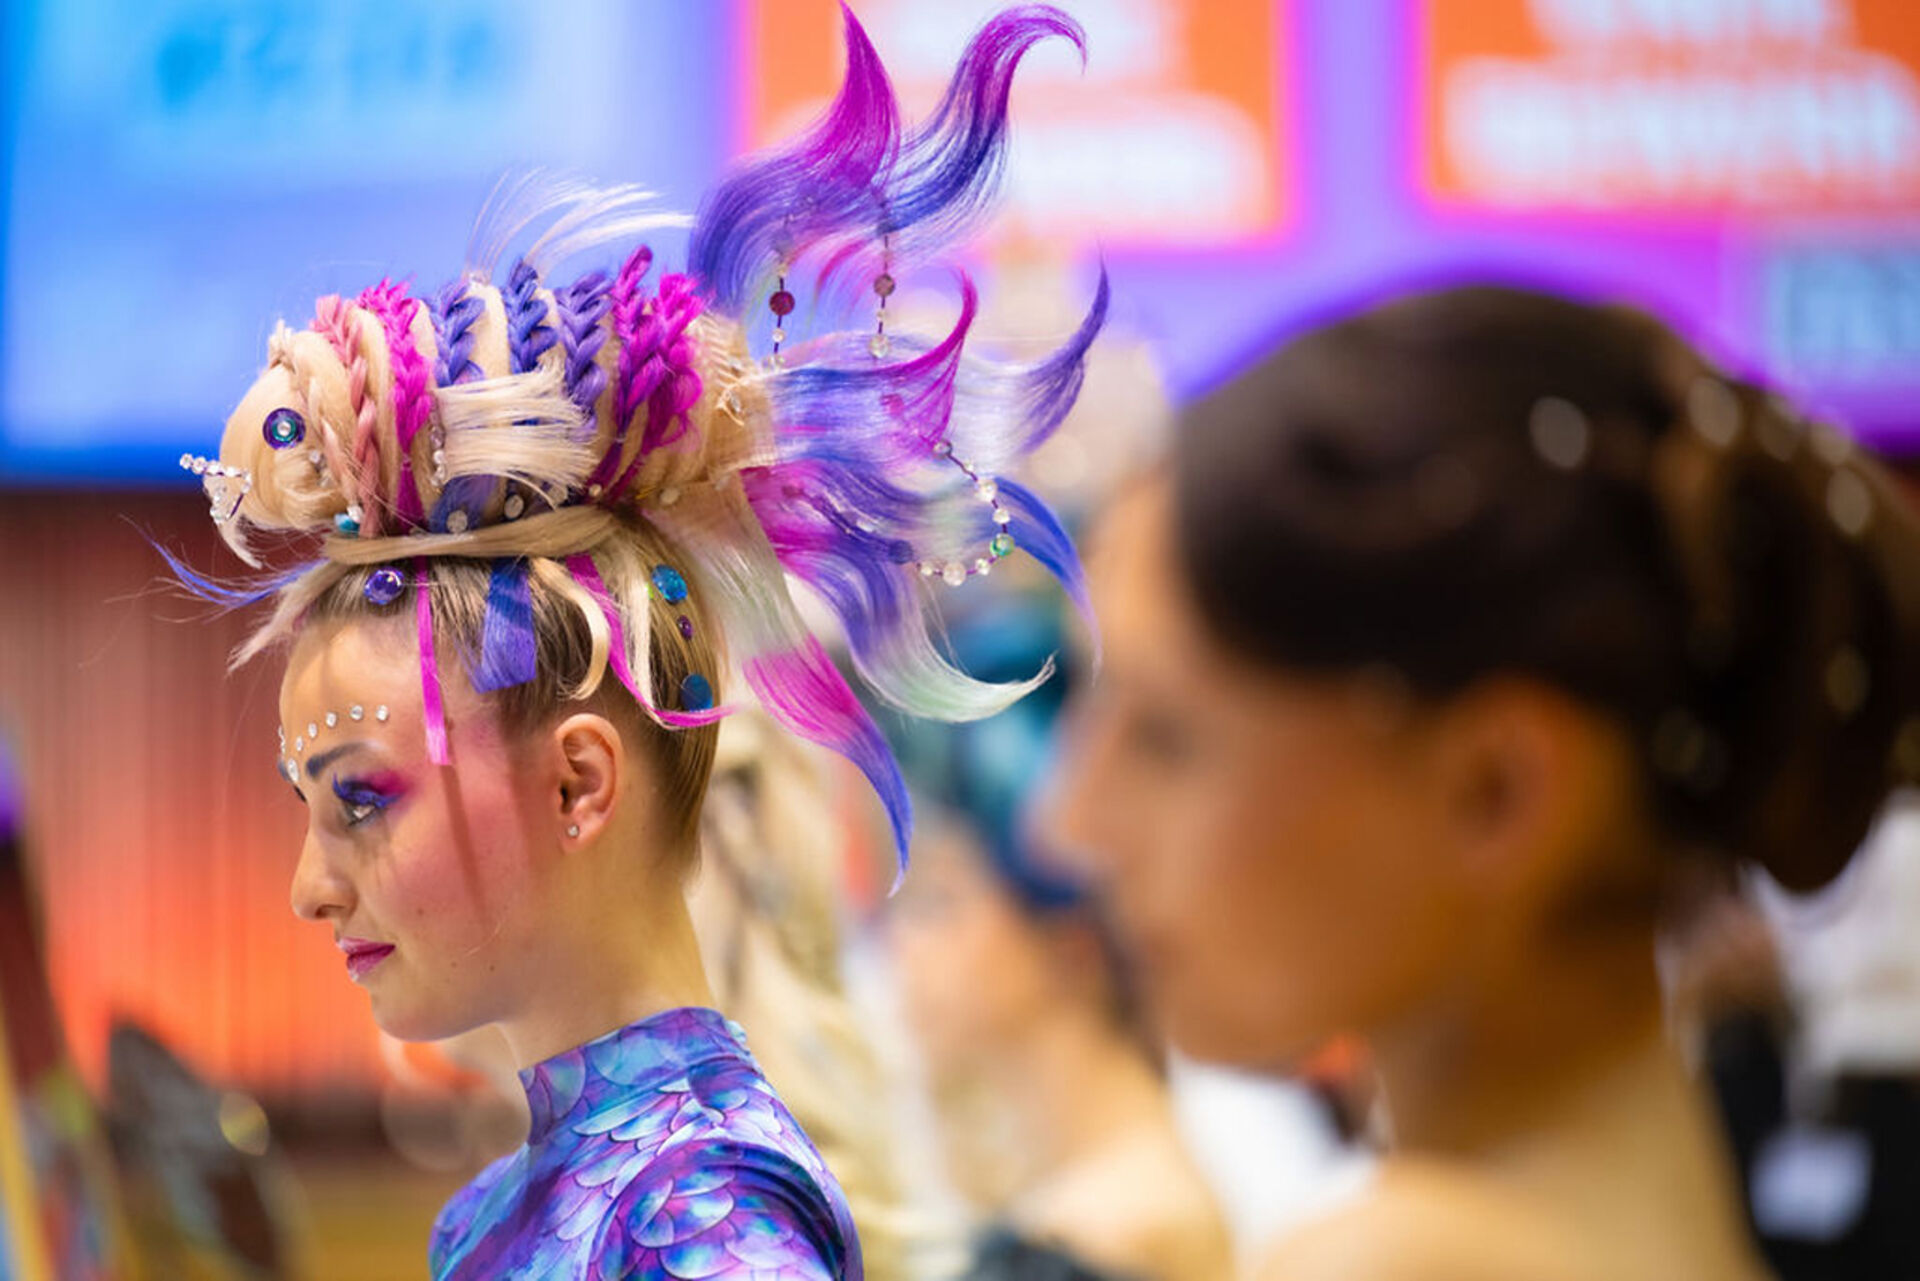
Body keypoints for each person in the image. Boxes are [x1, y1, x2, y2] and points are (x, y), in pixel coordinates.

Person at [168, 5, 1103, 1276]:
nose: (309, 888)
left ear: (578, 783)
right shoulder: (506, 1208)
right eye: (315, 808)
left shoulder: (705, 1219)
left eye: (362, 801)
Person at [1050, 284, 1920, 1280]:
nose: (1072, 823)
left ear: (1496, 791)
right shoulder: (1643, 1216)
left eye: (1165, 738)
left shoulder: (1400, 1262)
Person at [887, 607, 1231, 1281]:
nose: (905, 943)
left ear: (1073, 939)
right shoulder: (1103, 1195)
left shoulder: (1116, 1228)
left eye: (942, 903)